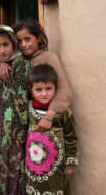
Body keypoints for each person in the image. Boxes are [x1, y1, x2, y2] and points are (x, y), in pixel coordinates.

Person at [0, 19, 72, 131]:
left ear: (38, 38)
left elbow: (64, 90)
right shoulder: (17, 61)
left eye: (27, 39)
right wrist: (1, 62)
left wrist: (49, 116)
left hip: (45, 121)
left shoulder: (49, 58)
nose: (23, 45)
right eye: (19, 41)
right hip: (21, 124)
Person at [0, 25, 30, 195]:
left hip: (14, 126)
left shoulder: (21, 65)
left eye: (5, 44)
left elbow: (22, 99)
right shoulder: (3, 63)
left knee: (14, 165)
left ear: (13, 42)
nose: (2, 50)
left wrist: (21, 130)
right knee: (0, 162)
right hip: (0, 124)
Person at [25, 64, 78, 194]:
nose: (44, 94)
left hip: (57, 165)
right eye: (38, 89)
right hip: (33, 162)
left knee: (56, 187)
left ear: (56, 88)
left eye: (48, 88)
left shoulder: (63, 112)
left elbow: (71, 137)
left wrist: (71, 162)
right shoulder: (27, 109)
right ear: (31, 90)